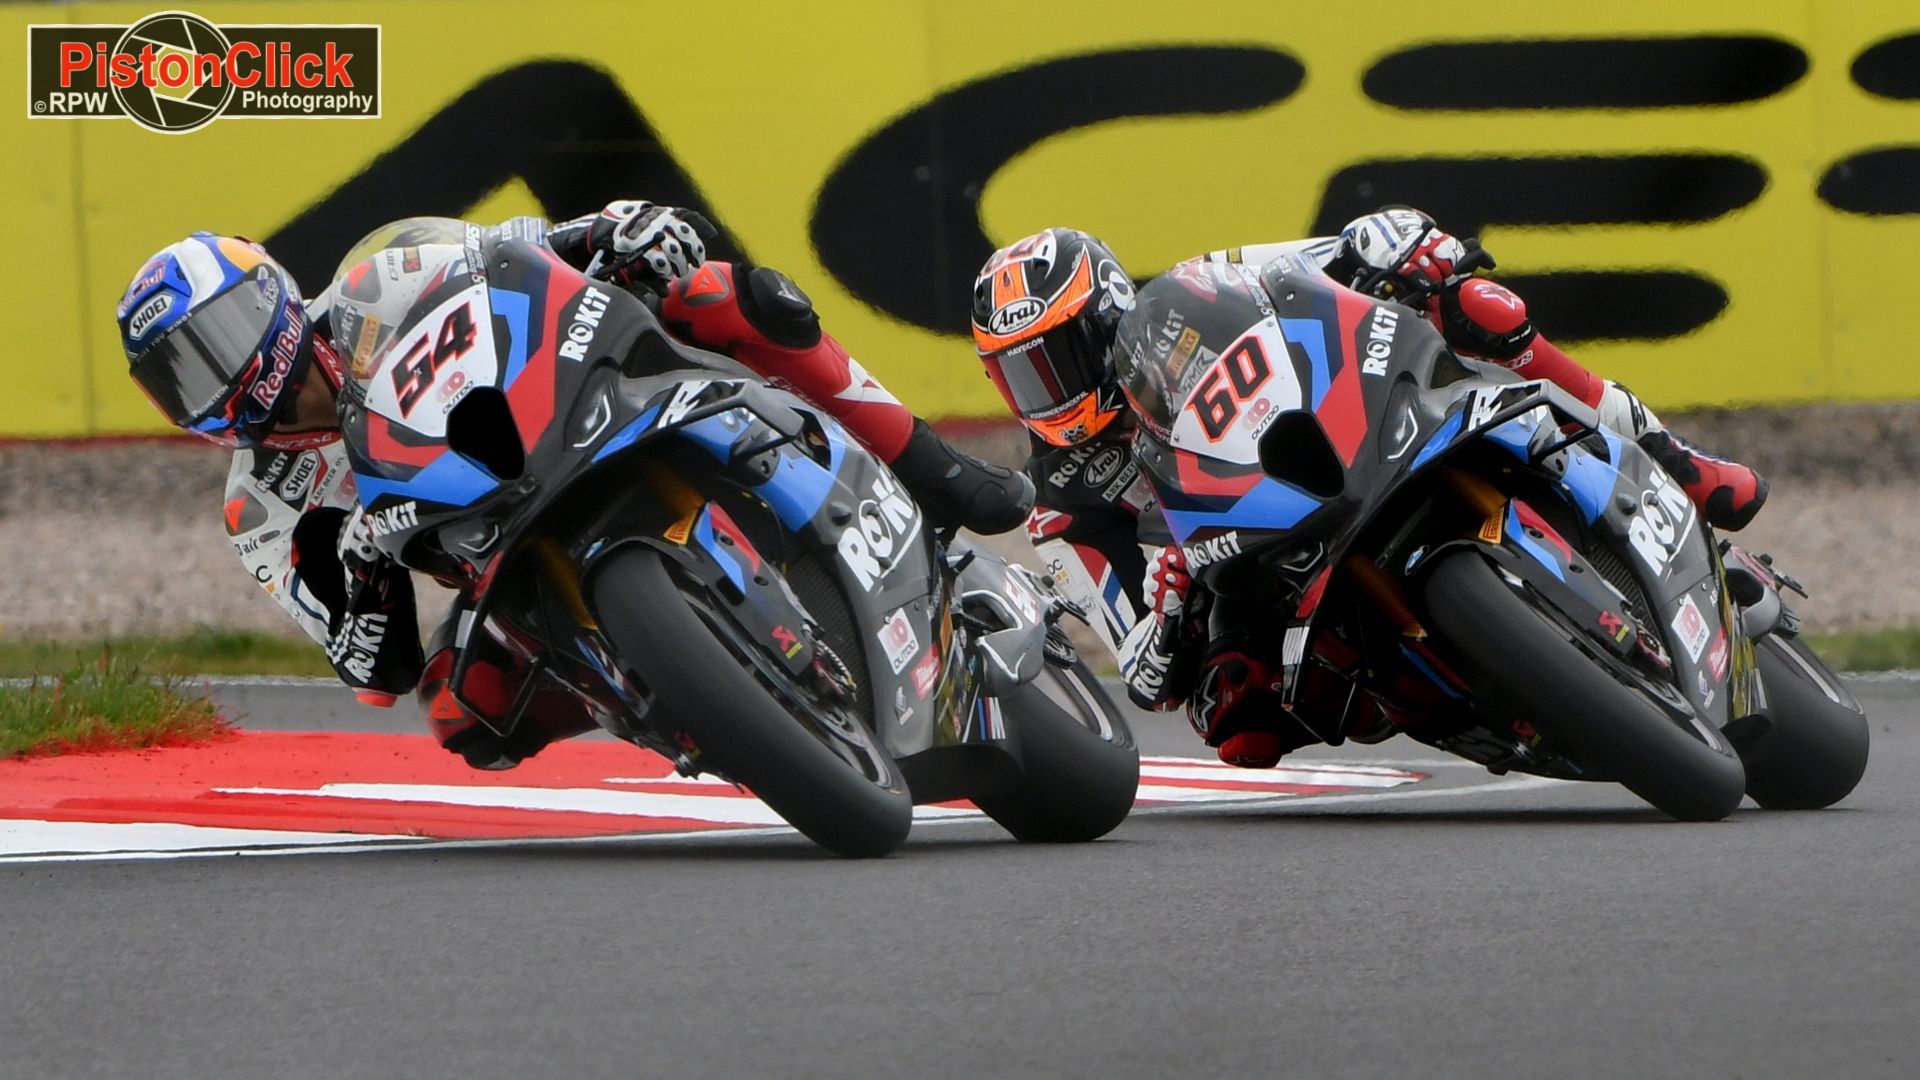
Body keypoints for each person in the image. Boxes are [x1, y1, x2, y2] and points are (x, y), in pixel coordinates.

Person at [117, 200, 1033, 768]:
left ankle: (934, 469)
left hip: (575, 408)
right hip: (496, 556)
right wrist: (357, 574)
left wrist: (611, 231)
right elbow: (373, 669)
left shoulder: (378, 276)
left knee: (725, 292)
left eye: (221, 333)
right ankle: (678, 698)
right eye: (183, 375)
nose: (219, 372)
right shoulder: (262, 502)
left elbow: (519, 251)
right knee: (463, 714)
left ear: (271, 290)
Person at [970, 208, 1768, 768]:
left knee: (1477, 305)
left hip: (1332, 452)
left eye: (1056, 357)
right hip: (1243, 571)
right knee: (1236, 718)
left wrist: (1392, 241)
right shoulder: (1059, 511)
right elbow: (1144, 677)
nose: (1044, 390)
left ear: (1105, 311)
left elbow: (1314, 264)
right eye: (1018, 375)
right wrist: (1172, 603)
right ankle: (1464, 682)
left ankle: (1680, 463)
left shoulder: (1192, 295)